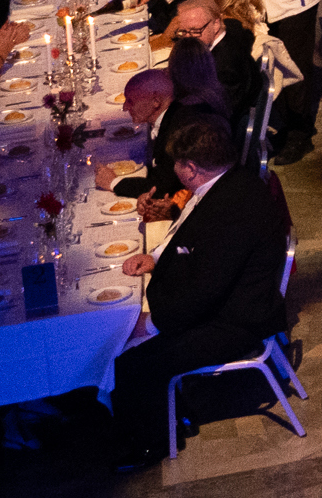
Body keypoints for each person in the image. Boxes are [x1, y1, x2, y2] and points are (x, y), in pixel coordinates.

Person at [105, 117, 292, 470]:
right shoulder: (229, 183)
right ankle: (171, 414)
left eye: (175, 164)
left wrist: (153, 322)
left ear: (190, 169)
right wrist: (156, 257)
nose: (173, 171)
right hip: (223, 301)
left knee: (131, 362)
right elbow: (190, 242)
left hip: (236, 320)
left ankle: (151, 443)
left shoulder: (230, 210)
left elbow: (204, 291)